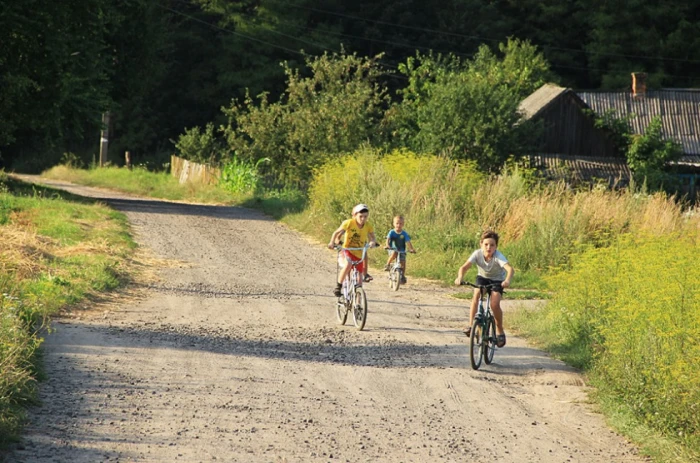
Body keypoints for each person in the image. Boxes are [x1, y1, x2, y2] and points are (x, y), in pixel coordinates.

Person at [454, 230, 514, 348]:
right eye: (486, 244)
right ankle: (471, 326)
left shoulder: (498, 256)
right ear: (481, 244)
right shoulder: (477, 254)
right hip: (482, 278)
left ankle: (499, 330)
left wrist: (507, 280)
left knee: (494, 304)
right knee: (476, 295)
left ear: (496, 246)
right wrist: (460, 277)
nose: (489, 247)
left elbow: (510, 269)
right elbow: (464, 267)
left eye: (492, 245)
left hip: (497, 280)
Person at [327, 204, 378, 297]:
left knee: (359, 277)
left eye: (365, 216)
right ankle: (338, 286)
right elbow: (337, 233)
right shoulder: (349, 223)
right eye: (360, 216)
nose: (363, 219)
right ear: (355, 215)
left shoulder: (368, 226)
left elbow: (372, 237)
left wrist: (372, 242)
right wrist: (332, 242)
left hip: (359, 251)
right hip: (348, 249)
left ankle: (358, 302)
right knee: (348, 265)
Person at [383, 215, 416, 284]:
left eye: (400, 223)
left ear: (403, 224)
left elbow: (408, 242)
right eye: (397, 223)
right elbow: (388, 239)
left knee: (403, 262)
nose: (398, 225)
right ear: (394, 224)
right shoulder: (392, 232)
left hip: (401, 249)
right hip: (392, 248)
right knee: (394, 253)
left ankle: (402, 276)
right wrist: (387, 245)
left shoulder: (404, 233)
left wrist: (411, 249)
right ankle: (387, 264)